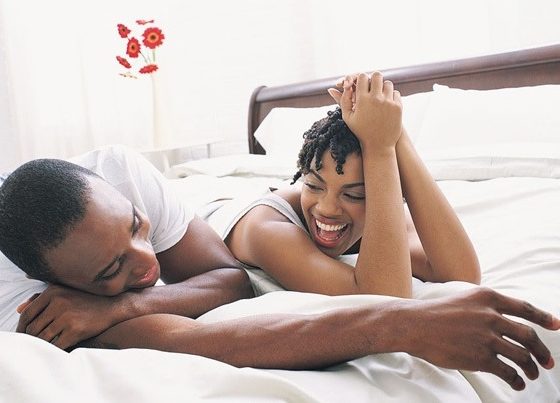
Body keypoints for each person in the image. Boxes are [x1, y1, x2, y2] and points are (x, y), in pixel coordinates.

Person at [0, 132, 557, 392]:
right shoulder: (20, 299)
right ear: (44, 280)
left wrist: (392, 143)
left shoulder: (119, 171)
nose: (148, 263)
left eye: (136, 227)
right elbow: (193, 341)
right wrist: (404, 325)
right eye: (109, 273)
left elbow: (230, 281)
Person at [221, 72, 480, 297]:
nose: (327, 208)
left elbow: (462, 277)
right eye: (313, 186)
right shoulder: (265, 229)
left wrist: (393, 133)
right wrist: (380, 148)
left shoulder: (373, 213)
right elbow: (384, 300)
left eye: (354, 195)